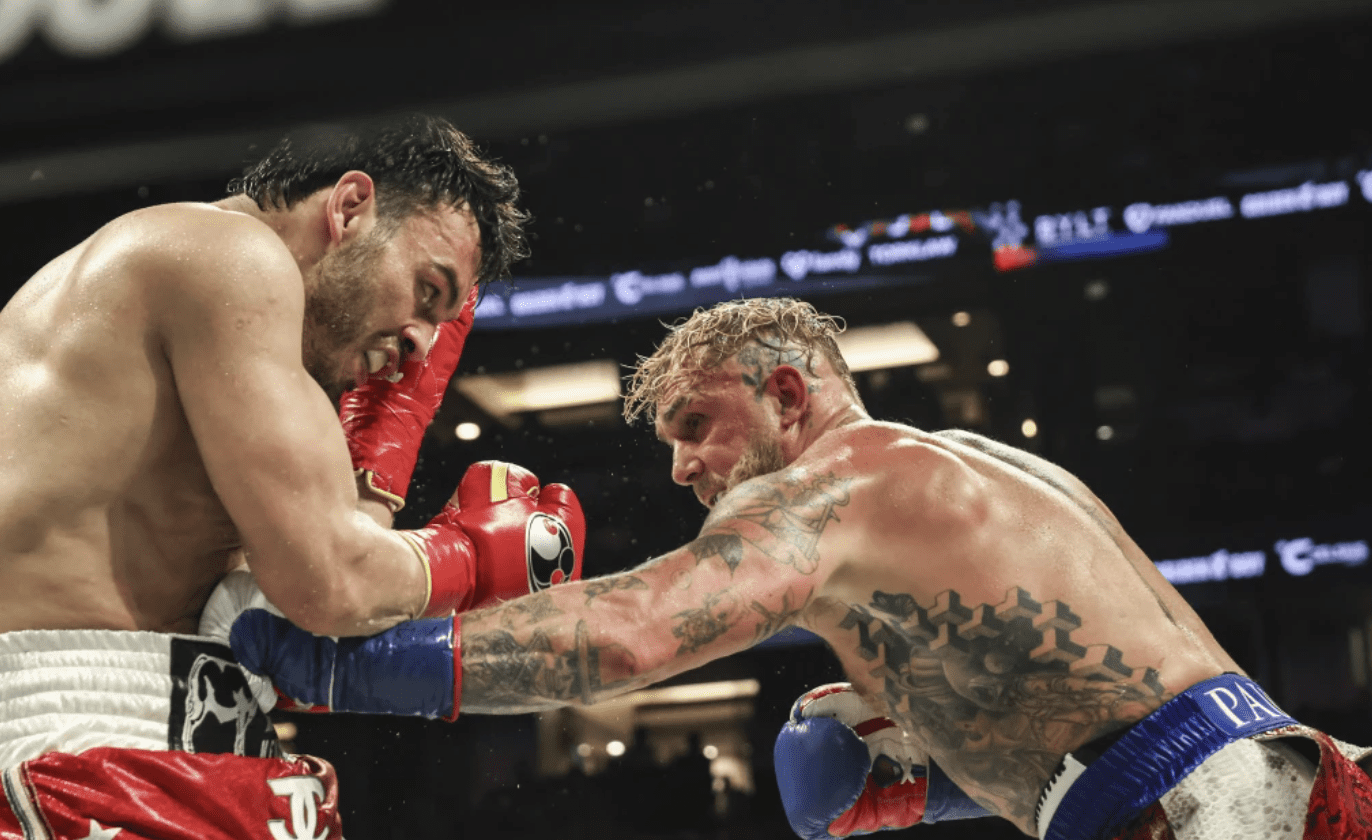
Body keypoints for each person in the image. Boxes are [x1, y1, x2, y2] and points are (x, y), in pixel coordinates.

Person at [222, 296, 1372, 840]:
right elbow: (1109, 706)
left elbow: (629, 633)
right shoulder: (961, 481)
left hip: (1224, 811)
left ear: (786, 392)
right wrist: (935, 786)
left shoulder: (836, 487)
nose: (682, 467)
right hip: (1259, 788)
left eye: (695, 425)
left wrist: (341, 667)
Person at [0, 114, 584, 840]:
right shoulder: (226, 253)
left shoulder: (213, 325)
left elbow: (289, 610)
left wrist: (383, 449)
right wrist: (467, 556)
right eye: (426, 290)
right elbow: (331, 583)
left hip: (154, 740)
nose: (421, 341)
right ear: (350, 207)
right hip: (82, 743)